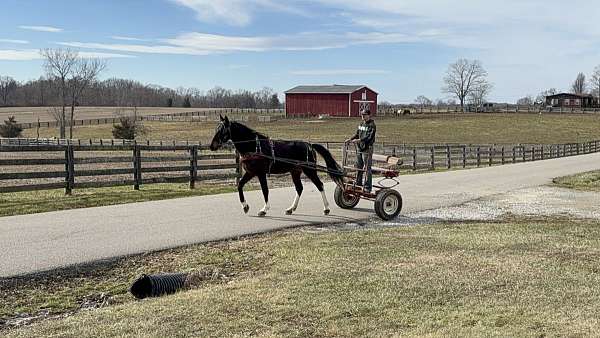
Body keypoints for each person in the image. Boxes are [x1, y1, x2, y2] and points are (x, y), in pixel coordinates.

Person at [345, 108, 376, 192]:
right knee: (359, 167)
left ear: (369, 115)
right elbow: (357, 134)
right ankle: (358, 184)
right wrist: (350, 139)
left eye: (365, 115)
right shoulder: (361, 123)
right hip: (360, 148)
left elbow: (369, 137)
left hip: (367, 149)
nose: (363, 116)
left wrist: (359, 140)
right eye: (362, 115)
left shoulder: (372, 125)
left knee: (367, 168)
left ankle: (367, 187)